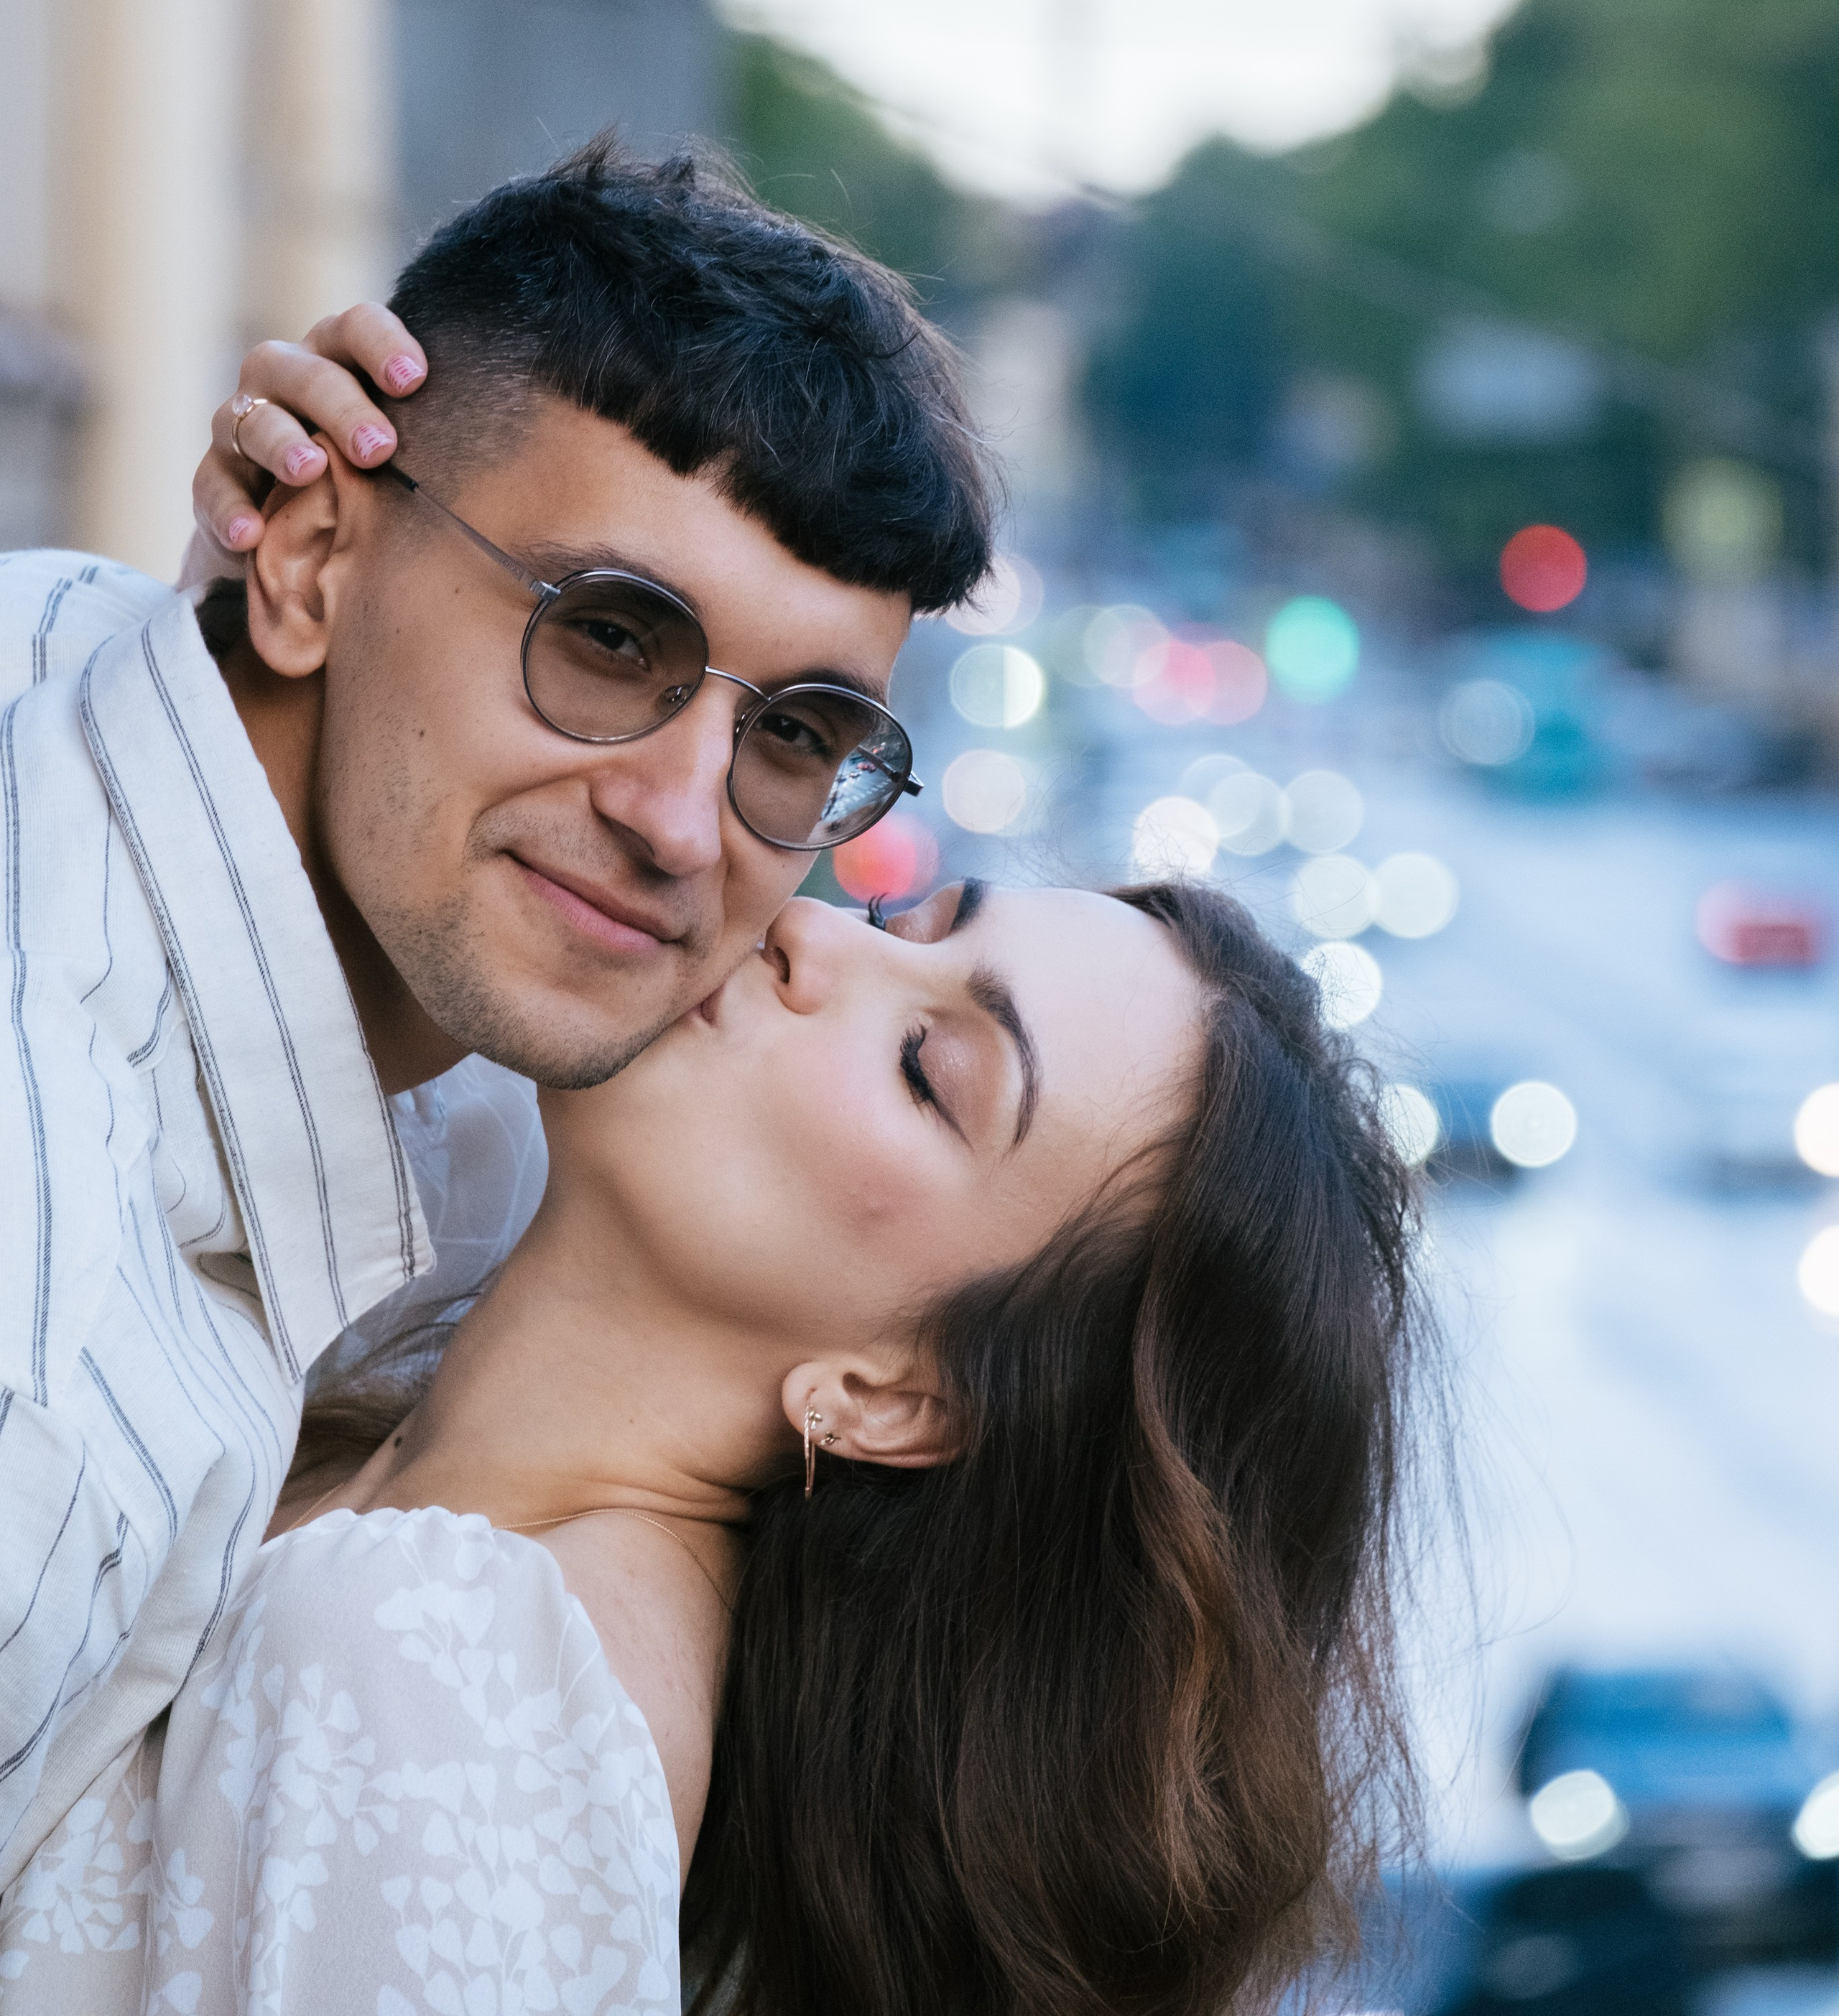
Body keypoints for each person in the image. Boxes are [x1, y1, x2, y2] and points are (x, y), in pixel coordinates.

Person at [0, 139, 995, 1887]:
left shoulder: (63, 646)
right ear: (308, 552)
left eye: (793, 739)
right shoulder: (54, 1402)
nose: (682, 826)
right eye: (608, 638)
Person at [0, 868, 1425, 2016]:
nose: (804, 931)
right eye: (896, 921)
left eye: (929, 1067)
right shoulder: (367, 1406)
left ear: (896, 1397)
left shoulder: (456, 1666)